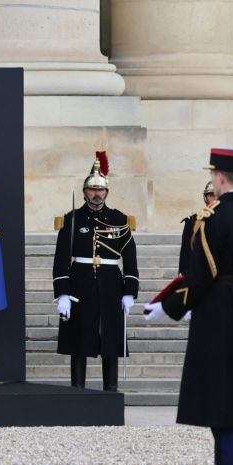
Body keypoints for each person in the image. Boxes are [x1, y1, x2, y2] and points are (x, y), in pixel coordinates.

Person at [145, 148, 233, 465]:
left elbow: (199, 278)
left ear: (219, 178)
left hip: (223, 319)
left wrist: (168, 307)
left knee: (227, 413)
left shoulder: (212, 219)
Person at [52, 151, 139, 391]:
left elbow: (129, 257)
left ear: (107, 193)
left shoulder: (119, 219)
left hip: (111, 283)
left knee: (110, 338)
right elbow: (61, 260)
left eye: (101, 190)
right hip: (81, 282)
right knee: (79, 338)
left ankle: (110, 391)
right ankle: (77, 389)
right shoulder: (72, 220)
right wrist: (62, 293)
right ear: (84, 192)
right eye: (92, 190)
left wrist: (130, 291)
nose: (96, 194)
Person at [179, 180, 218, 276]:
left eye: (218, 194)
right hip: (200, 274)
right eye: (211, 195)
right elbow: (186, 254)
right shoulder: (192, 221)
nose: (215, 198)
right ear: (205, 197)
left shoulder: (232, 219)